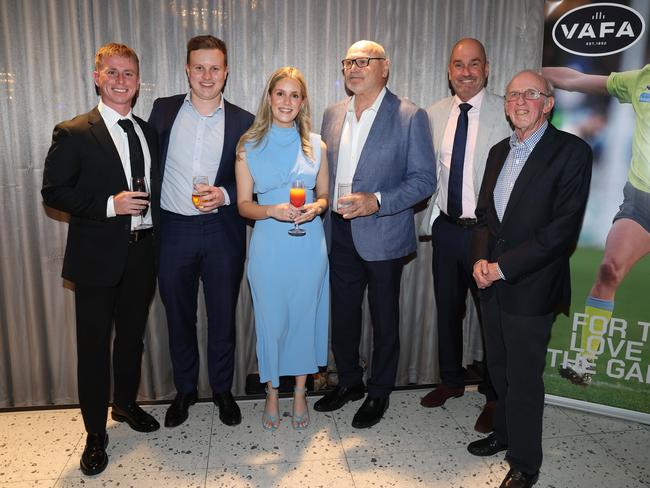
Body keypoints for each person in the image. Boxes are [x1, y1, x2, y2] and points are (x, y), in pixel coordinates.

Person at [467, 70, 592, 488]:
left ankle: (524, 462)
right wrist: (481, 262)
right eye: (513, 94)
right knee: (498, 369)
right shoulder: (498, 151)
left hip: (532, 285)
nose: (520, 101)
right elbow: (485, 217)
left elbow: (560, 232)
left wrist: (502, 267)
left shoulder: (572, 153)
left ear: (549, 103)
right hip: (491, 283)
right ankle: (502, 434)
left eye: (531, 94)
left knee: (522, 377)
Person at [41, 43, 160, 476]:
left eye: (129, 73)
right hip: (95, 259)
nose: (121, 80)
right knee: (93, 349)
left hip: (143, 254)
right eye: (112, 72)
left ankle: (125, 405)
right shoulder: (73, 131)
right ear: (97, 76)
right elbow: (53, 192)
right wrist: (111, 204)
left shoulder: (148, 131)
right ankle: (95, 433)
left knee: (131, 339)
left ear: (137, 80)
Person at [314, 40, 436, 428]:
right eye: (349, 60)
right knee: (343, 315)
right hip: (339, 233)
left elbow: (424, 180)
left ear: (385, 67)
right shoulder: (333, 114)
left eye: (364, 61)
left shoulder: (409, 115)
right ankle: (348, 380)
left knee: (385, 319)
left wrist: (378, 200)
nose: (354, 67)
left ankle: (379, 391)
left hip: (383, 233)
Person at [148, 35, 254, 428]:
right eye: (199, 67)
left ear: (226, 72)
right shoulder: (163, 111)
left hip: (222, 231)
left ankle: (223, 390)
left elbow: (255, 179)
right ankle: (186, 390)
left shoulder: (244, 121)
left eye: (215, 68)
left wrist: (225, 195)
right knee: (179, 315)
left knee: (223, 315)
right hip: (174, 229)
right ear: (187, 70)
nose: (207, 75)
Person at [418, 38, 510, 433]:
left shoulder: (508, 109)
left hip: (489, 234)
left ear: (486, 68)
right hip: (448, 227)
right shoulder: (434, 113)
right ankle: (451, 380)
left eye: (474, 64)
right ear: (449, 70)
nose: (466, 72)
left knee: (492, 316)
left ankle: (493, 394)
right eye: (459, 64)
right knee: (447, 308)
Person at [542, 66, 650, 386]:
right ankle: (585, 362)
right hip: (641, 201)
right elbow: (577, 81)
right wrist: (533, 67)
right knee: (609, 269)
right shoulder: (642, 79)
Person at [235, 67, 329, 431]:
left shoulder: (316, 145)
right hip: (269, 246)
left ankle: (301, 393)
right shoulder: (248, 145)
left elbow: (323, 196)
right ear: (269, 98)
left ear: (303, 101)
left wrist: (316, 208)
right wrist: (272, 210)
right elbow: (243, 205)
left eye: (295, 95)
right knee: (272, 322)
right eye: (280, 94)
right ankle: (273, 392)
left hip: (309, 246)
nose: (287, 102)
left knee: (305, 319)